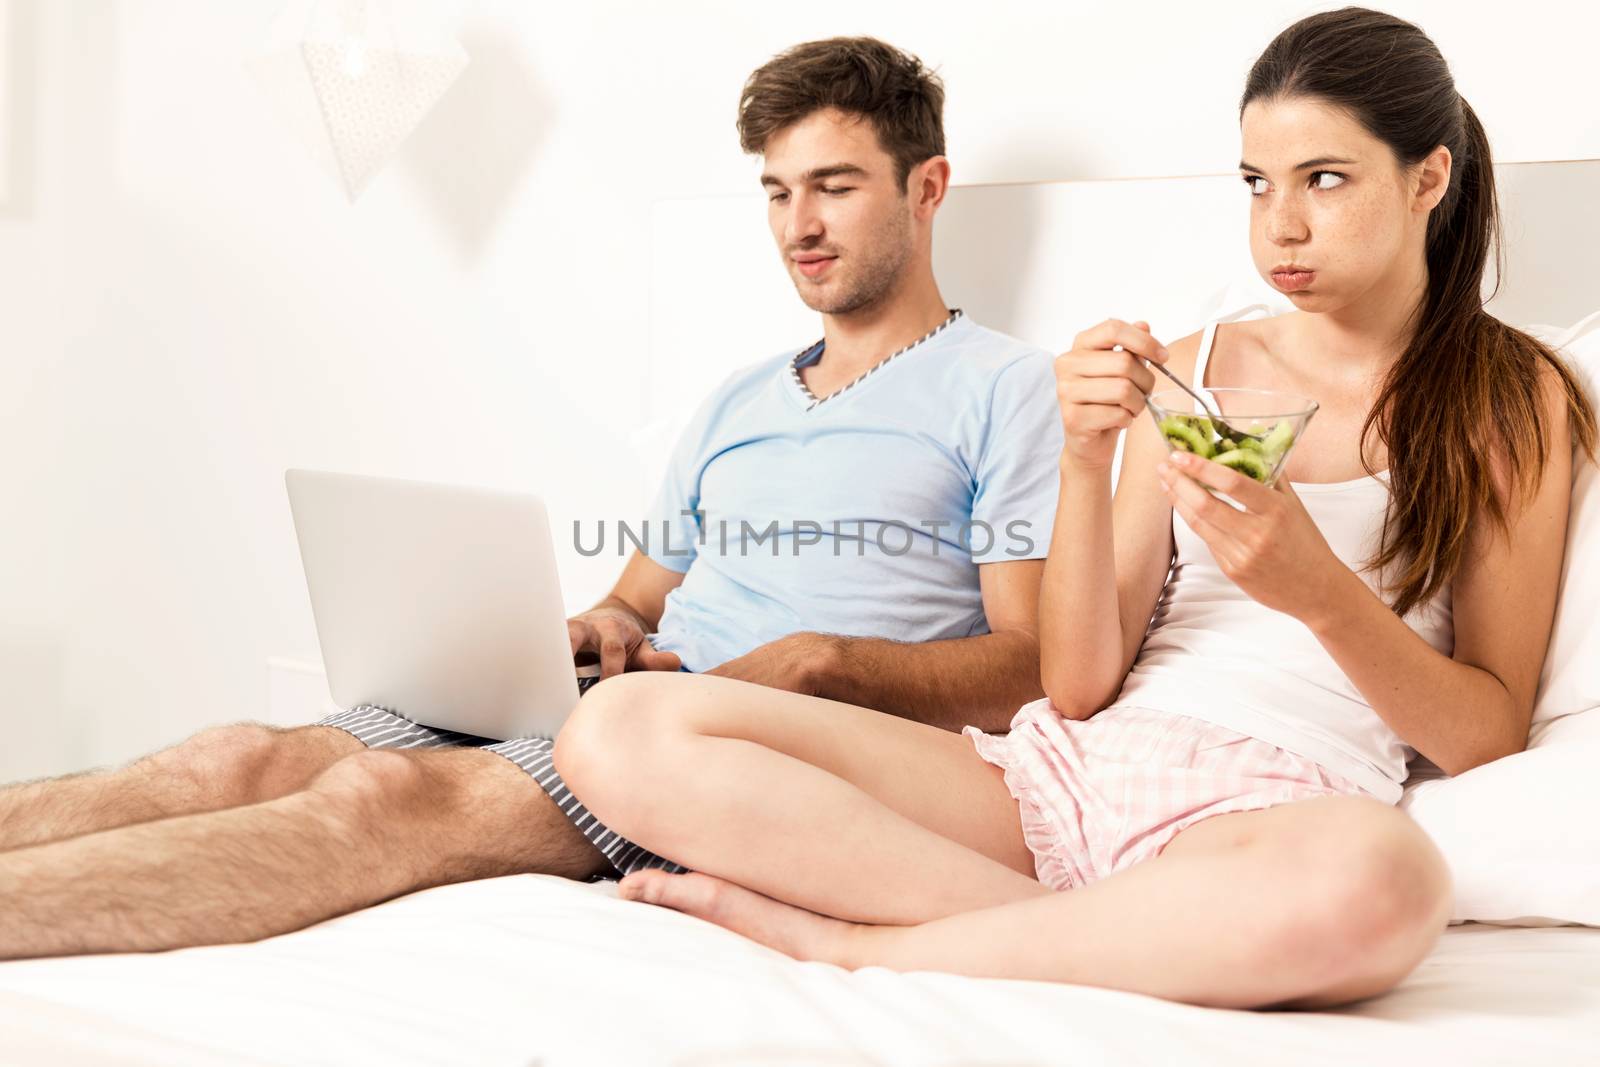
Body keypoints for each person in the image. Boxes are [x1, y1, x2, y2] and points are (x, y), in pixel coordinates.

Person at [553, 7, 1597, 1009]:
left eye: (1323, 179)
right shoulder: (1198, 370)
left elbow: (1488, 734)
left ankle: (864, 941)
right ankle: (1100, 931)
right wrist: (1087, 457)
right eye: (1255, 183)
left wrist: (1318, 592)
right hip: (1063, 772)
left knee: (1388, 886)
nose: (1280, 225)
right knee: (617, 729)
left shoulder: (1508, 402)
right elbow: (1080, 681)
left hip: (1271, 805)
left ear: (1429, 178)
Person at [0, 37, 1061, 959]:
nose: (799, 225)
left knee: (383, 800)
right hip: (623, 696)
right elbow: (636, 600)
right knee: (237, 754)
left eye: (834, 185)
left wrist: (823, 661)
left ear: (926, 189)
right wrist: (602, 624)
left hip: (728, 753)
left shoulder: (1004, 386)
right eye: (777, 192)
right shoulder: (737, 397)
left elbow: (1032, 665)